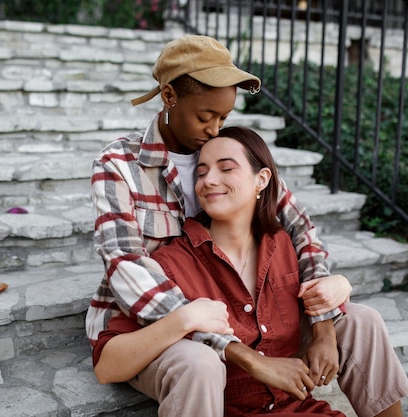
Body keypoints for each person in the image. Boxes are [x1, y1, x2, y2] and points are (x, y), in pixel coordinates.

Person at [86, 34, 408, 417]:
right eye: (206, 116)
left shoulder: (232, 154)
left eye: (224, 118)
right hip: (153, 322)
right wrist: (233, 347)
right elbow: (126, 265)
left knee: (360, 320)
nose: (214, 129)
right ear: (170, 98)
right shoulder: (120, 165)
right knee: (198, 361)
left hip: (244, 309)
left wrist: (324, 321)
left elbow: (300, 229)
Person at [94, 126, 348, 416]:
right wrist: (184, 319)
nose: (209, 180)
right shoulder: (172, 263)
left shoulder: (285, 245)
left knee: (363, 321)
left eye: (226, 169)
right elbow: (108, 363)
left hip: (299, 409)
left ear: (262, 180)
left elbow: (314, 260)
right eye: (200, 173)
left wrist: (333, 304)